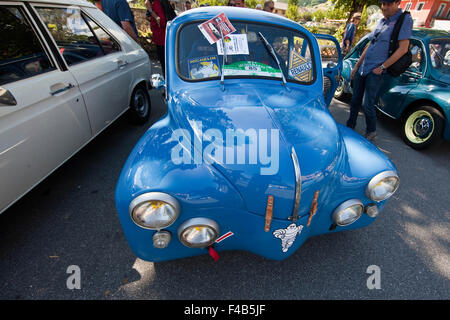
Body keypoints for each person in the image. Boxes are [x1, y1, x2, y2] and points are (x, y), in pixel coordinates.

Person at [346, 0, 413, 141]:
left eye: (388, 4)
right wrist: (357, 66)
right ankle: (349, 126)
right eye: (383, 3)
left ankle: (371, 131)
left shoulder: (404, 19)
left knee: (368, 103)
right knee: (355, 100)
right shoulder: (382, 21)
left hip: (376, 70)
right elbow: (371, 44)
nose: (384, 7)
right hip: (364, 68)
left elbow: (403, 49)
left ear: (397, 3)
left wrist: (382, 67)